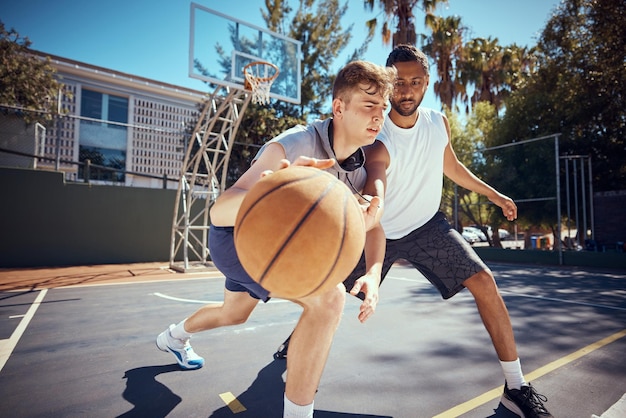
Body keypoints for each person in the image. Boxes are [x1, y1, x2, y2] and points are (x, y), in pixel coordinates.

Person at [275, 45, 553, 418]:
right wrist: (375, 200)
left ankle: (516, 386)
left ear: (427, 84)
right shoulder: (376, 130)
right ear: (389, 85)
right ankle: (296, 341)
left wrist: (493, 193)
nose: (407, 91)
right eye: (400, 83)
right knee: (329, 298)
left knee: (485, 281)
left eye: (416, 82)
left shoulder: (438, 122)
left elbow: (451, 165)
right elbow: (377, 171)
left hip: (427, 227)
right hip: (378, 232)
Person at [156, 60, 396, 418]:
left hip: (277, 247)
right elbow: (219, 211)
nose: (379, 116)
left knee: (233, 314)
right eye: (369, 105)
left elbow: (374, 227)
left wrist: (373, 274)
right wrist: (274, 189)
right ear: (339, 107)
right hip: (236, 240)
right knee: (329, 300)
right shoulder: (295, 143)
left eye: (383, 109)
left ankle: (173, 337)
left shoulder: (357, 168)